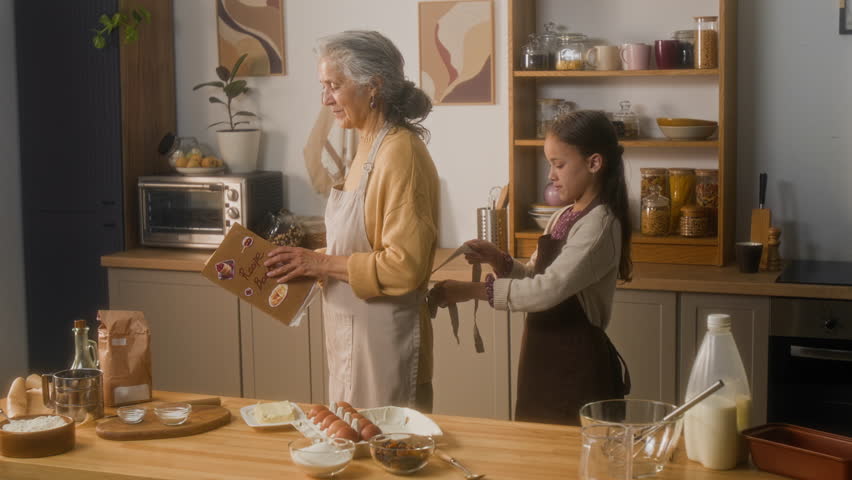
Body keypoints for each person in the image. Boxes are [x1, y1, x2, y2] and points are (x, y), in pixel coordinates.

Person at [264, 31, 439, 412]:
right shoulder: (367, 146)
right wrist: (306, 261)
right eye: (323, 86)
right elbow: (361, 246)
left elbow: (404, 267)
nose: (326, 99)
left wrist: (322, 262)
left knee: (386, 456)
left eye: (334, 86)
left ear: (373, 86)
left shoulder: (400, 153)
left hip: (386, 346)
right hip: (351, 338)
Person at [429, 110, 632, 425]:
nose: (550, 175)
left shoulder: (600, 225)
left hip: (578, 366)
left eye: (559, 164)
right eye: (550, 163)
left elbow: (548, 290)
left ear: (594, 163)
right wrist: (501, 261)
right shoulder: (563, 215)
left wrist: (470, 291)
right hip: (542, 359)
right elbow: (537, 276)